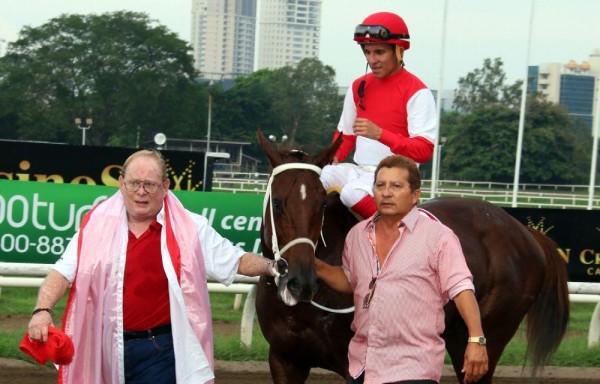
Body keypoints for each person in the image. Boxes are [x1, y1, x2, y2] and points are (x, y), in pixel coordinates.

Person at [26, 149, 283, 384]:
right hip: (103, 347)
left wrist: (274, 266)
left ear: (165, 187)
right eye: (134, 183)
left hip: (161, 350)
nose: (141, 191)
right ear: (121, 183)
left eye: (149, 184)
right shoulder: (94, 226)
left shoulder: (191, 229)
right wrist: (42, 310)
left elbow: (236, 260)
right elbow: (62, 273)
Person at [316, 155, 489, 384]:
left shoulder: (438, 237)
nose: (386, 193)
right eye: (380, 185)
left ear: (415, 195)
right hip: (363, 367)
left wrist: (477, 339)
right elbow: (351, 280)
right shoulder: (357, 235)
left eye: (396, 186)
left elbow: (461, 288)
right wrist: (316, 265)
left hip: (413, 368)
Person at [320, 11, 437, 219]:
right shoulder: (358, 86)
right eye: (367, 52)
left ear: (398, 51)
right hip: (361, 171)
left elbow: (424, 150)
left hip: (398, 176)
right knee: (317, 177)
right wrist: (331, 158)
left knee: (351, 193)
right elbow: (345, 136)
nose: (372, 60)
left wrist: (380, 134)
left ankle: (402, 233)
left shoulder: (418, 92)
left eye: (380, 52)